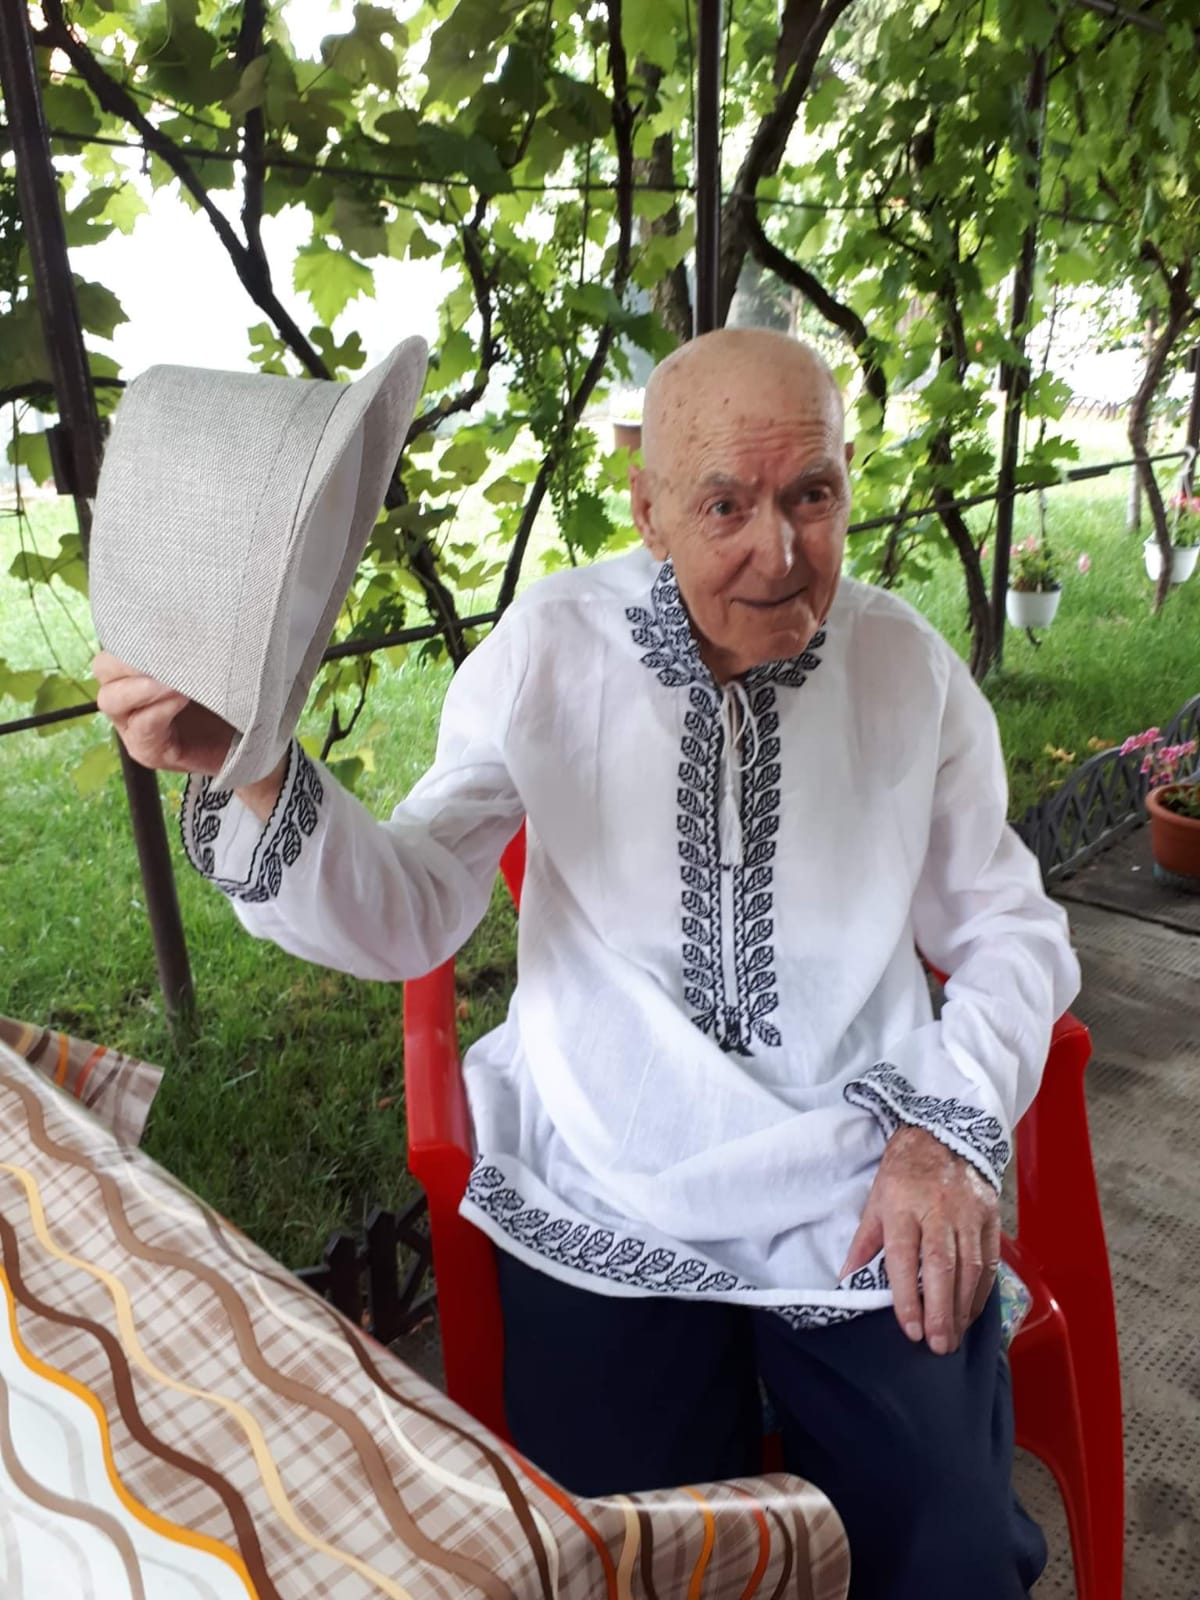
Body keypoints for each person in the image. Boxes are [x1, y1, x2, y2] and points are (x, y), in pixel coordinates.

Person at [96, 328, 1080, 1599]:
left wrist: (946, 1135)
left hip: (859, 1176)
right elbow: (415, 908)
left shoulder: (907, 665)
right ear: (648, 512)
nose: (780, 552)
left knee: (948, 1546)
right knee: (628, 1556)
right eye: (724, 505)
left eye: (813, 494)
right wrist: (257, 772)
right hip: (611, 1176)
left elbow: (1009, 928)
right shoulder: (552, 645)